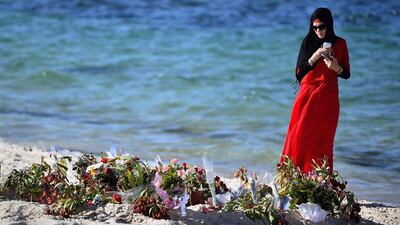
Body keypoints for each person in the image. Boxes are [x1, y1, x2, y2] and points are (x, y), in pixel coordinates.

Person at [280, 8, 350, 173]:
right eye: (315, 27)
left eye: (322, 27)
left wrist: (336, 68)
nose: (319, 31)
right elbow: (299, 73)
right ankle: (293, 178)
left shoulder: (340, 44)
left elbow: (347, 73)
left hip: (328, 98)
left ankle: (320, 182)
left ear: (330, 25)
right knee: (298, 137)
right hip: (306, 96)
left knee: (324, 140)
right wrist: (317, 54)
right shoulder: (308, 42)